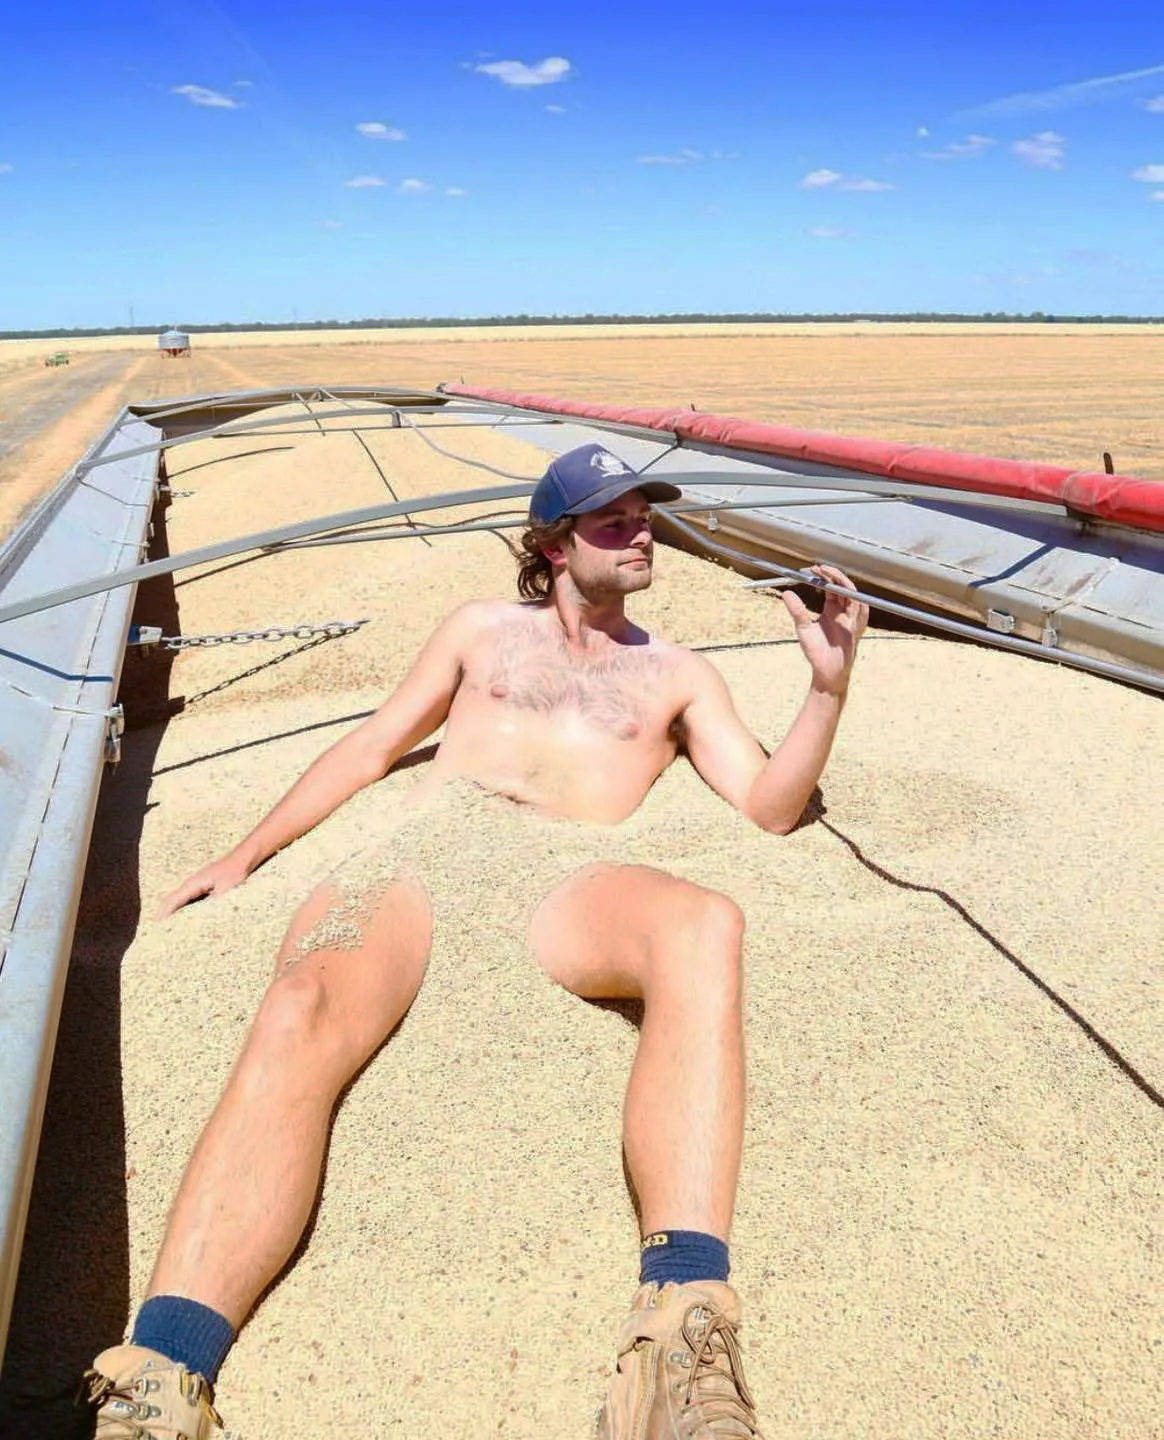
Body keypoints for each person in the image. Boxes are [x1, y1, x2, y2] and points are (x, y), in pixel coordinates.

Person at [81, 442, 867, 1438]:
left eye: (645, 515)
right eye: (613, 519)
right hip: (428, 853)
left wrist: (828, 689)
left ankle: (679, 1333)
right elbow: (374, 745)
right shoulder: (481, 632)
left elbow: (767, 807)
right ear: (553, 542)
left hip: (559, 877)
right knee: (299, 1006)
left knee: (704, 922)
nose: (641, 534)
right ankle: (162, 1377)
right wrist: (246, 853)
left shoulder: (679, 673)